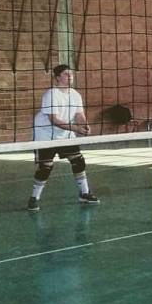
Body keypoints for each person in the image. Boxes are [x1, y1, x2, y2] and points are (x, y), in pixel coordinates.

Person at [27, 64, 99, 212]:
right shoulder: (51, 94)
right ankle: (34, 198)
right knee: (46, 167)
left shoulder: (75, 94)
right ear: (58, 77)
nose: (70, 76)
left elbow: (79, 114)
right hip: (45, 135)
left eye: (71, 73)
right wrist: (76, 129)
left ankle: (84, 193)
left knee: (78, 160)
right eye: (66, 74)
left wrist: (85, 125)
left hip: (65, 133)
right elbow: (54, 120)